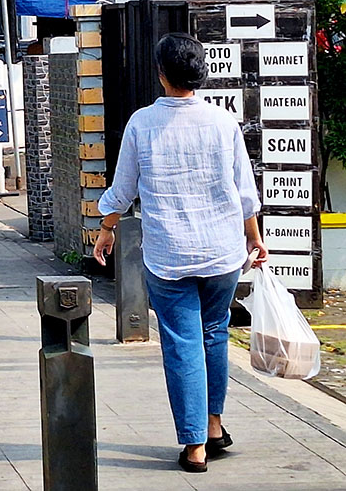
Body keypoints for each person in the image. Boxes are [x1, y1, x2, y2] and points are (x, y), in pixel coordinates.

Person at [94, 33, 267, 474]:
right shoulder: (223, 123)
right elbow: (244, 192)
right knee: (215, 333)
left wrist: (107, 227)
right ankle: (213, 426)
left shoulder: (142, 123)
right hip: (222, 251)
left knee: (182, 342)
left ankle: (193, 447)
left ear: (161, 74)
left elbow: (123, 189)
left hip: (169, 254)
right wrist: (254, 237)